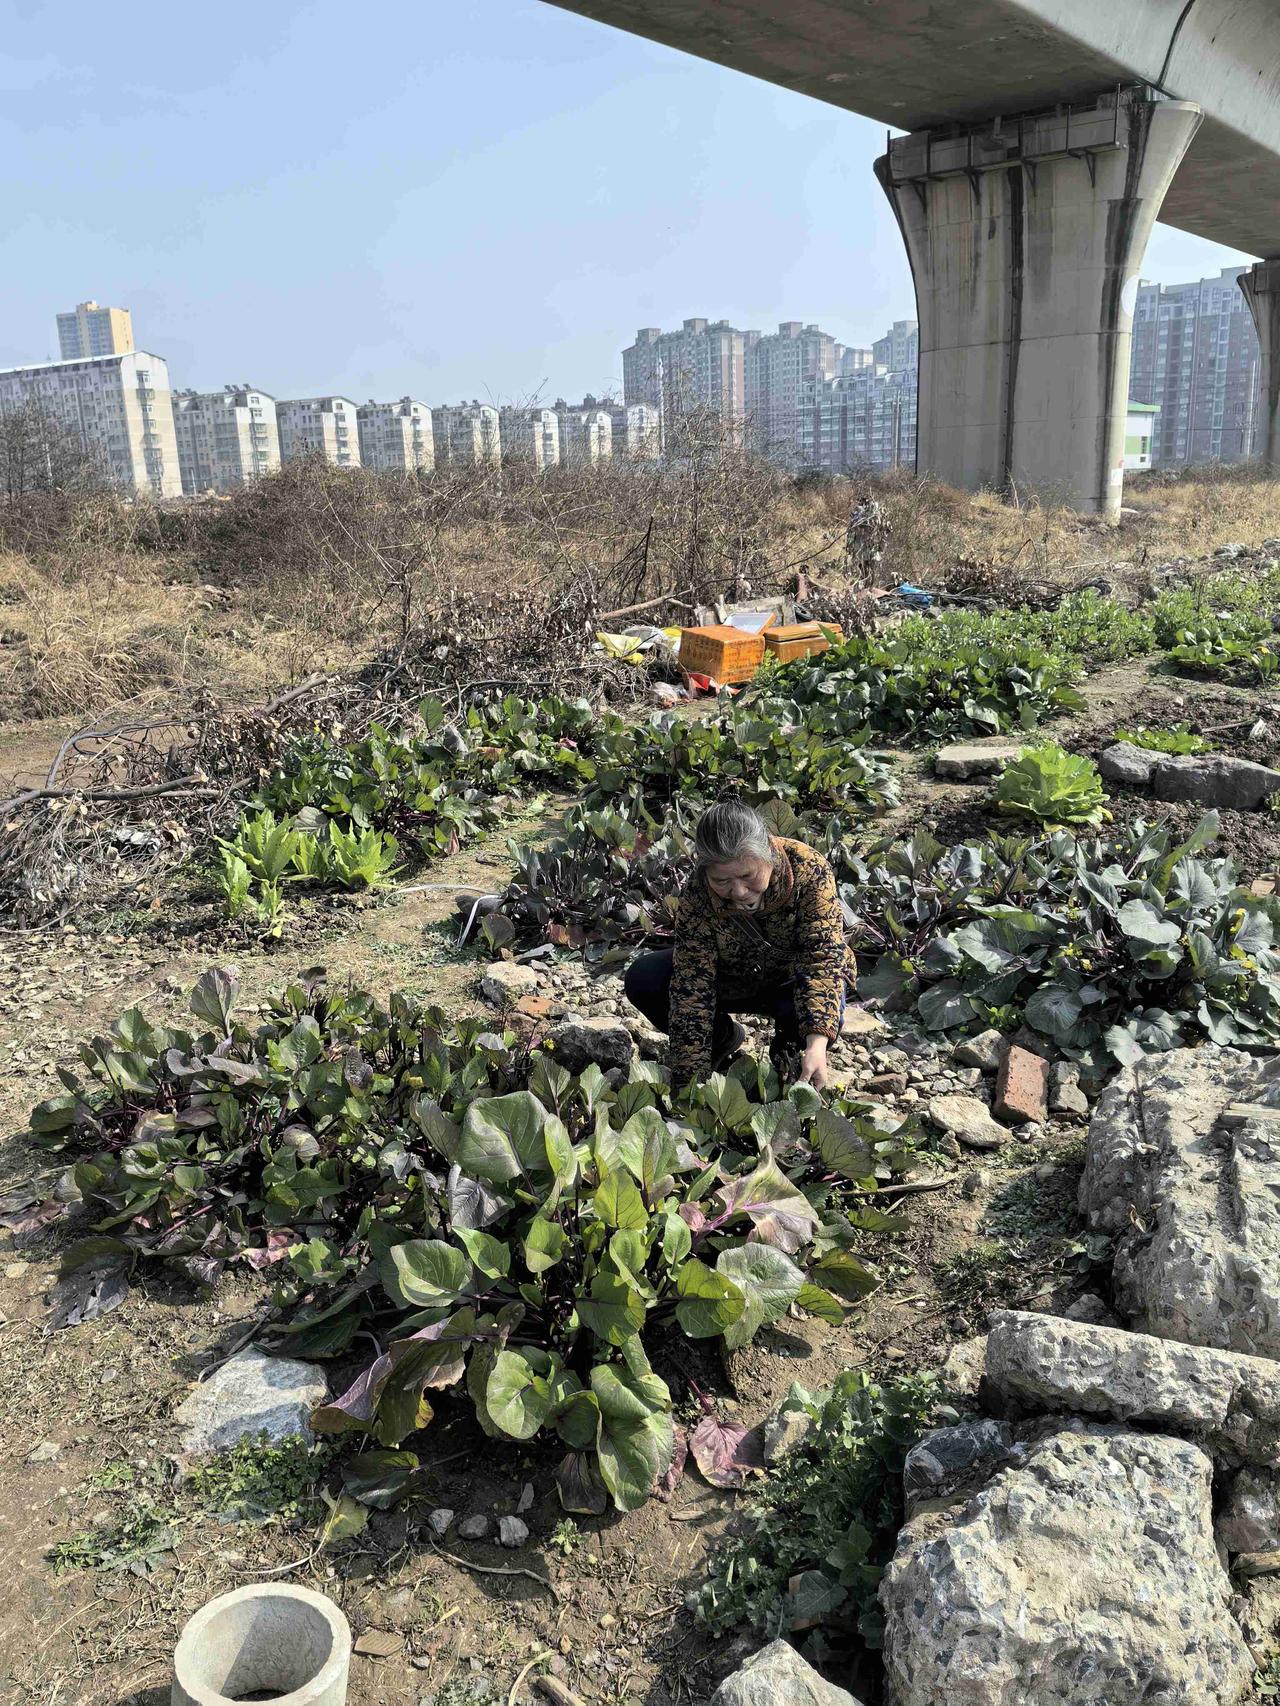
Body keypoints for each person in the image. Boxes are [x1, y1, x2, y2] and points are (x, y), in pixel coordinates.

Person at [624, 800, 851, 1091]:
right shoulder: (698, 894)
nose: (739, 891)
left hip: (792, 983)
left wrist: (817, 1043)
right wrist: (689, 1082)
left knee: (793, 1069)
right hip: (734, 976)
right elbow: (692, 987)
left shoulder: (809, 870)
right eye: (722, 881)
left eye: (747, 876)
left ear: (768, 856)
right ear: (706, 872)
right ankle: (721, 1040)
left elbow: (822, 959)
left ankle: (791, 1053)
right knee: (645, 978)